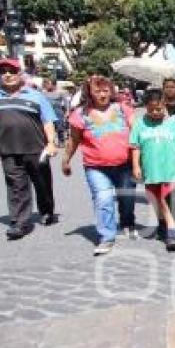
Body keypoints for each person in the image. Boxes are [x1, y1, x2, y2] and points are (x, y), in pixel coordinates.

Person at [63, 75, 137, 256]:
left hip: (125, 164)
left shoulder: (123, 109)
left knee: (127, 198)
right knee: (103, 199)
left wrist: (140, 160)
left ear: (111, 91)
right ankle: (107, 236)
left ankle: (127, 222)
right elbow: (74, 140)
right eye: (98, 91)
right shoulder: (80, 114)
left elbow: (137, 134)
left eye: (106, 90)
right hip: (96, 167)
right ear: (90, 93)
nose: (102, 95)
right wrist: (66, 159)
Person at [0, 58, 59, 239]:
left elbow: (48, 121)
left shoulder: (35, 96)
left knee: (42, 184)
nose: (7, 75)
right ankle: (19, 222)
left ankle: (47, 210)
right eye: (3, 72)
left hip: (36, 148)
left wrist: (51, 142)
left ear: (20, 74)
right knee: (16, 187)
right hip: (8, 149)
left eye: (11, 71)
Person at [131, 88, 175, 251]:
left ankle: (171, 234)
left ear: (165, 105)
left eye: (159, 109)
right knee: (155, 200)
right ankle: (162, 224)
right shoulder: (140, 124)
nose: (155, 113)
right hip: (151, 170)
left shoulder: (173, 123)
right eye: (151, 110)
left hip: (171, 170)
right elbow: (135, 147)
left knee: (165, 199)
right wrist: (136, 165)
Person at [42, 77, 70, 148]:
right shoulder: (43, 92)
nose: (47, 85)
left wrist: (67, 111)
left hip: (57, 112)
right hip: (47, 112)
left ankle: (61, 141)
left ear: (54, 84)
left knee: (60, 127)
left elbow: (67, 102)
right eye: (46, 83)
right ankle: (50, 142)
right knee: (47, 127)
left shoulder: (61, 92)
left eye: (48, 83)